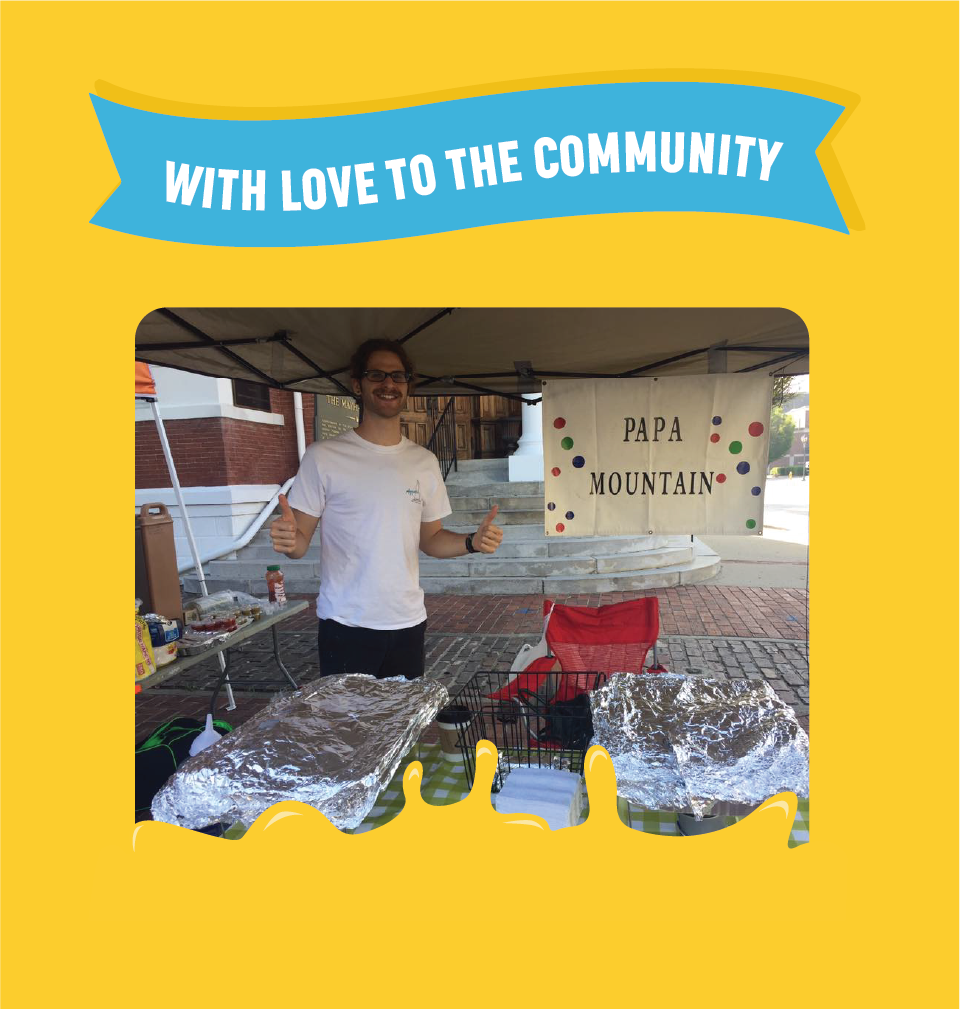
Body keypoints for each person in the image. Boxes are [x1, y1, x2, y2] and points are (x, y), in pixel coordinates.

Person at [269, 338, 504, 679]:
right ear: (357, 385)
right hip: (345, 623)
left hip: (407, 622)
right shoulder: (323, 456)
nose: (389, 384)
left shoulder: (423, 462)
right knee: (349, 732)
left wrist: (472, 542)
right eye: (376, 375)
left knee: (402, 730)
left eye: (398, 376)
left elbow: (432, 538)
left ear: (408, 386)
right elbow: (300, 541)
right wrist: (290, 539)